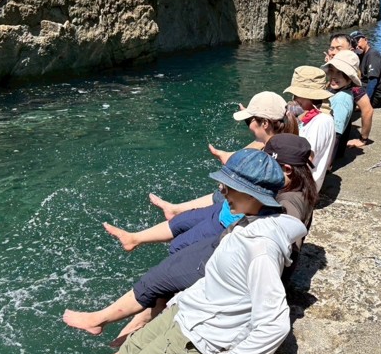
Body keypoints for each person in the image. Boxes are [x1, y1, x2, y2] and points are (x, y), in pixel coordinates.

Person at [41, 149, 307, 354]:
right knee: (131, 348)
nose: (221, 191)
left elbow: (274, 324)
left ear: (254, 193)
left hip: (202, 333)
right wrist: (180, 300)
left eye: (229, 187)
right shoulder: (249, 221)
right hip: (189, 311)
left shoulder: (261, 247)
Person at [62, 136, 318, 340]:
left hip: (225, 254)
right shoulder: (294, 189)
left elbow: (282, 246)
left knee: (158, 278)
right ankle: (131, 321)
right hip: (226, 242)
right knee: (168, 268)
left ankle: (102, 321)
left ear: (286, 169)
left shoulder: (290, 203)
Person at [101, 91, 296, 256]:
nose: (248, 126)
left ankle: (170, 289)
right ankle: (136, 236)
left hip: (231, 220)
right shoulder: (277, 144)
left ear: (265, 124)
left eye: (248, 122)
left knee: (179, 245)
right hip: (229, 210)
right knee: (180, 221)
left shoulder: (274, 156)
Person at [283, 66, 335, 191]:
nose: (294, 99)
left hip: (302, 188)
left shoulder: (321, 121)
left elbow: (305, 161)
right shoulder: (312, 117)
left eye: (297, 95)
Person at [324, 33, 374, 148]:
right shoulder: (334, 72)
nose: (333, 52)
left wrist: (363, 139)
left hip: (336, 139)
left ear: (351, 50)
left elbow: (368, 110)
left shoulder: (351, 84)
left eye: (339, 48)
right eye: (332, 48)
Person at [323, 50, 361, 160]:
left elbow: (336, 135)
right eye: (332, 71)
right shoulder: (341, 93)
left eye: (339, 72)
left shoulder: (341, 99)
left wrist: (328, 163)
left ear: (350, 78)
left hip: (330, 154)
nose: (333, 76)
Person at [350, 30, 381, 108]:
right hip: (363, 89)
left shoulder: (372, 55)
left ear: (366, 40)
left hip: (374, 96)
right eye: (354, 44)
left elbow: (373, 80)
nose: (356, 46)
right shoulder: (360, 55)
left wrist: (365, 103)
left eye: (358, 41)